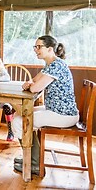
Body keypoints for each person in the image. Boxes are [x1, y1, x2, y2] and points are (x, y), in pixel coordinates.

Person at [12, 35, 79, 175]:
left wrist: (30, 85)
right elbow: (34, 80)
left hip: (62, 115)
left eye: (38, 47)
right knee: (19, 114)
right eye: (35, 47)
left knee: (19, 121)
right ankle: (31, 158)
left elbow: (35, 88)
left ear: (49, 49)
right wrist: (31, 83)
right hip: (56, 110)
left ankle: (34, 164)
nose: (35, 50)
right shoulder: (51, 64)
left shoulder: (56, 65)